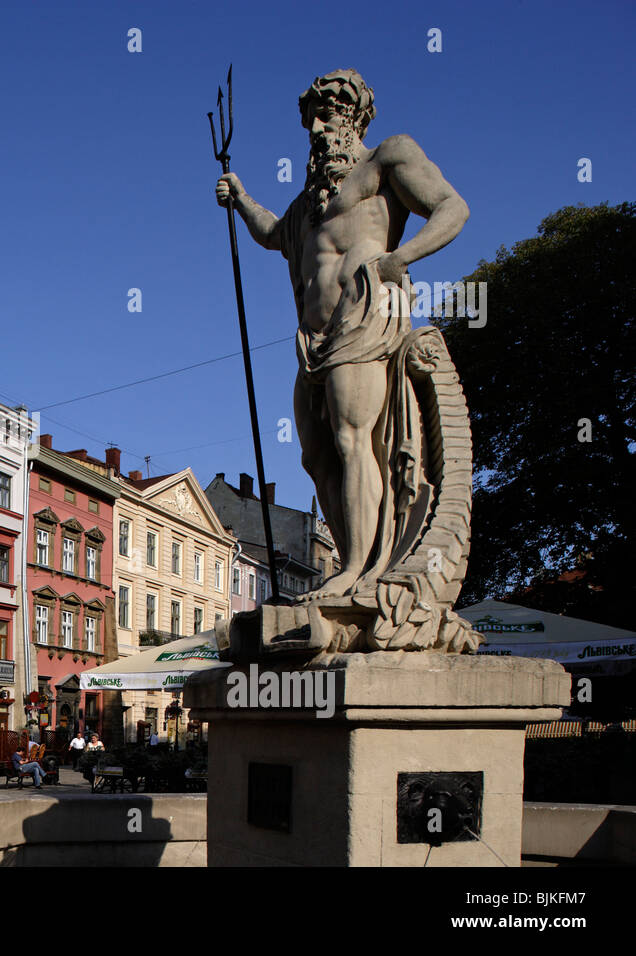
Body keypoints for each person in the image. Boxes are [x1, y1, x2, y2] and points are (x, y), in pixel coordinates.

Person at [215, 69, 469, 600]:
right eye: (311, 118)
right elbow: (271, 235)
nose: (317, 127)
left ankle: (357, 567)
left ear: (353, 118)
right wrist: (239, 198)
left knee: (356, 441)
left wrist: (403, 257)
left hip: (363, 322)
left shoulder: (388, 159)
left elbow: (452, 207)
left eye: (328, 114)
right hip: (313, 341)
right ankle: (353, 561)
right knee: (316, 455)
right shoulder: (306, 205)